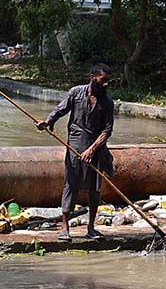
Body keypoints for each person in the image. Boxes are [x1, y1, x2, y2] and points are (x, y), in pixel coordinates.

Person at [37, 63, 114, 241]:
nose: (106, 84)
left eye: (108, 81)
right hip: (75, 145)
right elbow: (60, 110)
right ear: (92, 77)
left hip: (96, 148)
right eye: (103, 80)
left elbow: (107, 131)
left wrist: (92, 149)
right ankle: (65, 228)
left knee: (95, 188)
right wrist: (47, 122)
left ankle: (91, 228)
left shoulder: (107, 103)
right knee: (71, 184)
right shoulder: (75, 93)